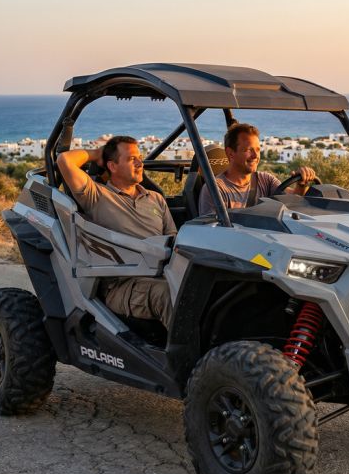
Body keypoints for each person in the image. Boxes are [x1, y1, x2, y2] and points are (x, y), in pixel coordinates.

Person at [57, 136, 176, 328]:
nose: (140, 163)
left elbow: (174, 239)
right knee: (169, 295)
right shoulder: (97, 196)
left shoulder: (155, 198)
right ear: (112, 166)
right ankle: (187, 357)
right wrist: (98, 154)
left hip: (163, 274)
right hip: (123, 285)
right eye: (131, 159)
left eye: (139, 157)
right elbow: (64, 161)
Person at [198, 123, 316, 216]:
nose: (256, 156)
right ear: (230, 153)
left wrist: (301, 185)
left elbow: (293, 201)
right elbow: (212, 233)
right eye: (249, 150)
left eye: (258, 150)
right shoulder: (215, 190)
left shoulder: (266, 180)